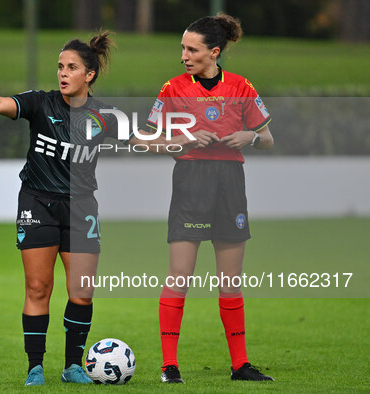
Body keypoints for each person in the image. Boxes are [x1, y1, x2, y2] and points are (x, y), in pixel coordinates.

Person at [0, 32, 194, 386]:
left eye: (72, 67)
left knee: (81, 290)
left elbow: (142, 139)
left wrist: (176, 144)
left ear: (89, 74)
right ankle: (35, 367)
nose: (63, 73)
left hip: (81, 209)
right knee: (38, 287)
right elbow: (0, 103)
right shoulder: (40, 103)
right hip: (37, 203)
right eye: (60, 67)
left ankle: (73, 366)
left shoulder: (103, 115)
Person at [145, 14, 275, 383]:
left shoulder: (240, 86)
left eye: (192, 49)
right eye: (182, 48)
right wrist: (181, 141)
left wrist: (249, 137)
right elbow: (142, 140)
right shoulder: (172, 88)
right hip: (191, 181)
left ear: (214, 52)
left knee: (230, 280)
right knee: (180, 275)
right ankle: (170, 366)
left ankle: (240, 366)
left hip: (230, 182)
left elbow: (267, 138)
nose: (184, 55)